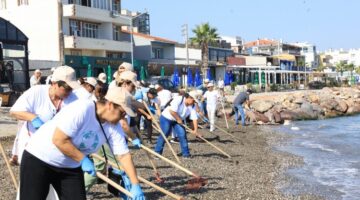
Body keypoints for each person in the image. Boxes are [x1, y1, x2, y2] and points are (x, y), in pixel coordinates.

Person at [20, 87, 145, 200]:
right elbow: (59, 139)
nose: (123, 117)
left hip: (69, 166)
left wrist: (135, 185)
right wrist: (83, 159)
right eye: (122, 112)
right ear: (110, 105)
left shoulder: (114, 125)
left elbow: (123, 156)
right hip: (39, 158)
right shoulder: (83, 109)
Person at [10, 66, 80, 165]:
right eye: (67, 88)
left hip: (57, 149)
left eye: (72, 88)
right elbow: (14, 111)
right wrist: (33, 118)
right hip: (32, 147)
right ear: (54, 84)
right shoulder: (37, 92)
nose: (70, 92)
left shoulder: (73, 98)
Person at [154, 93, 199, 158]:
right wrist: (178, 119)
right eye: (193, 100)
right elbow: (172, 111)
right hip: (167, 118)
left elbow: (194, 118)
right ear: (190, 98)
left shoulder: (192, 106)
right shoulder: (179, 99)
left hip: (178, 120)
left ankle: (186, 154)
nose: (194, 102)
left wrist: (195, 130)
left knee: (182, 135)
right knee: (165, 134)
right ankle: (157, 153)